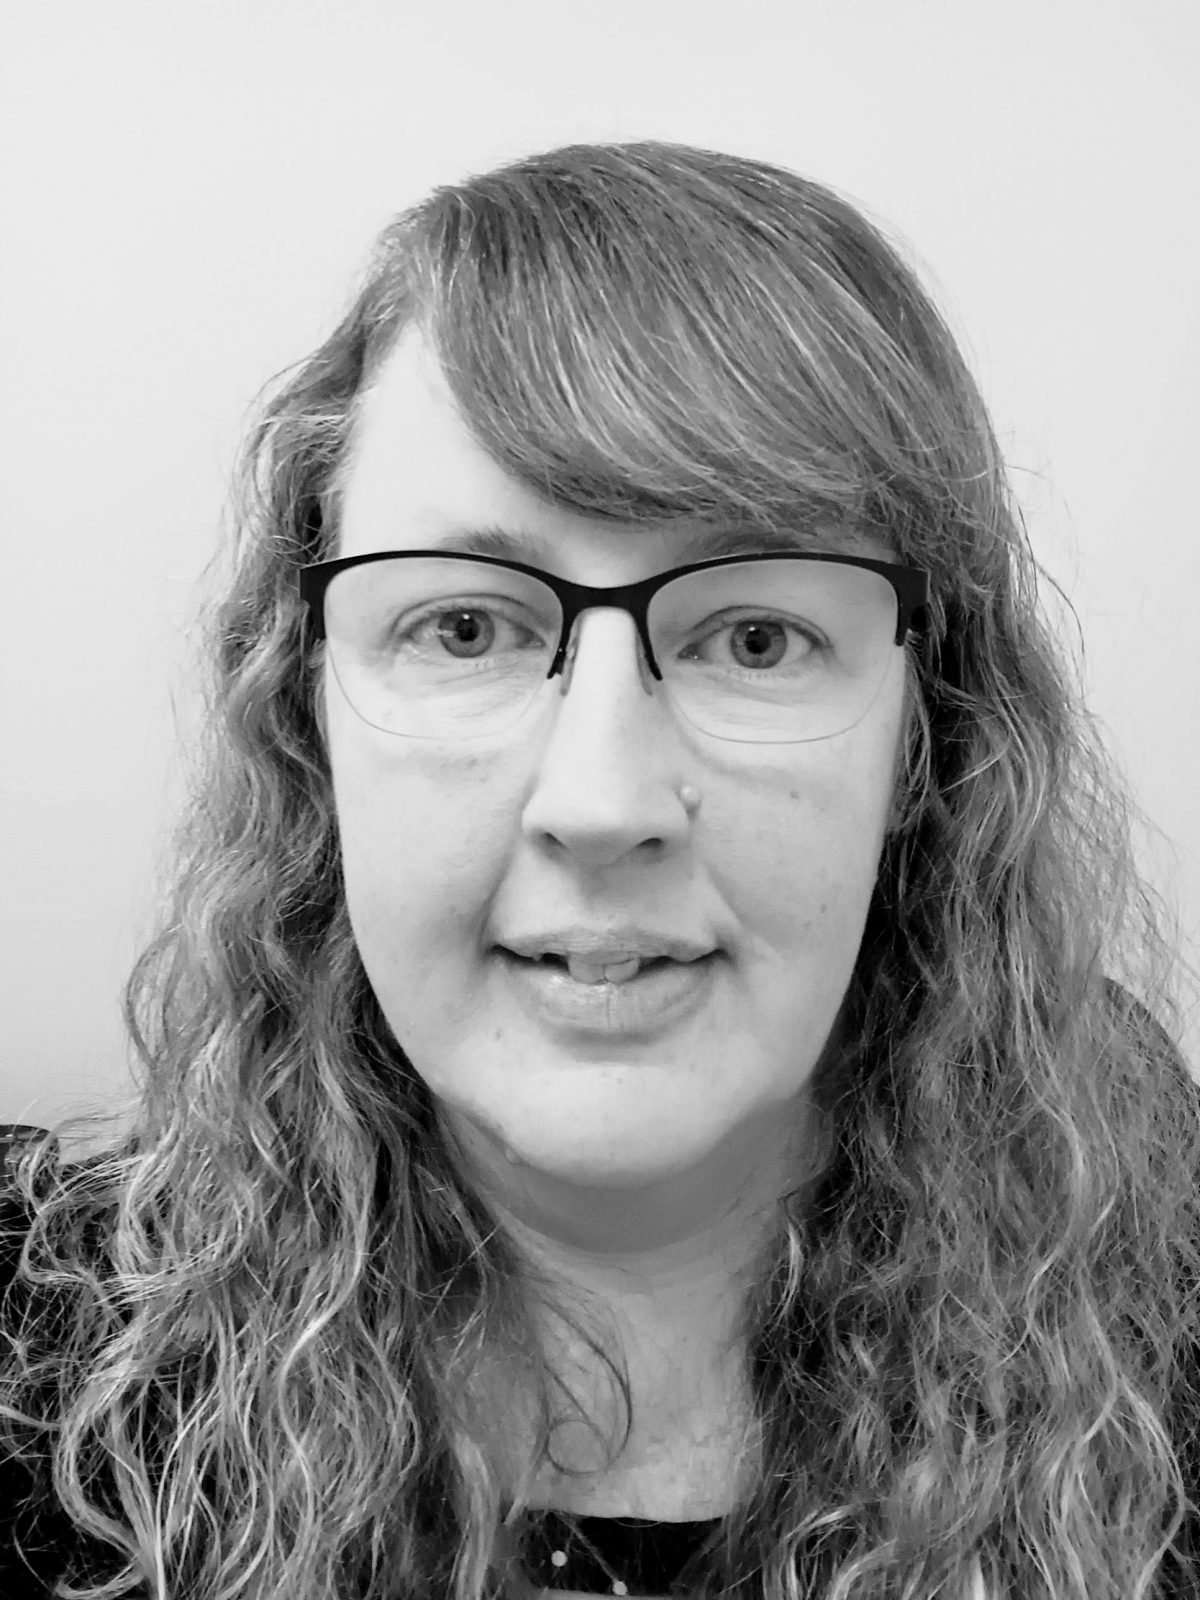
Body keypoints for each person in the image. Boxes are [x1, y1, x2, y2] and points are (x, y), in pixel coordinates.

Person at [2, 138, 1199, 1600]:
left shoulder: (1169, 1375)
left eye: (755, 637)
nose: (602, 800)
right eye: (464, 628)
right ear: (308, 722)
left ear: (925, 742)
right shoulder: (33, 1369)